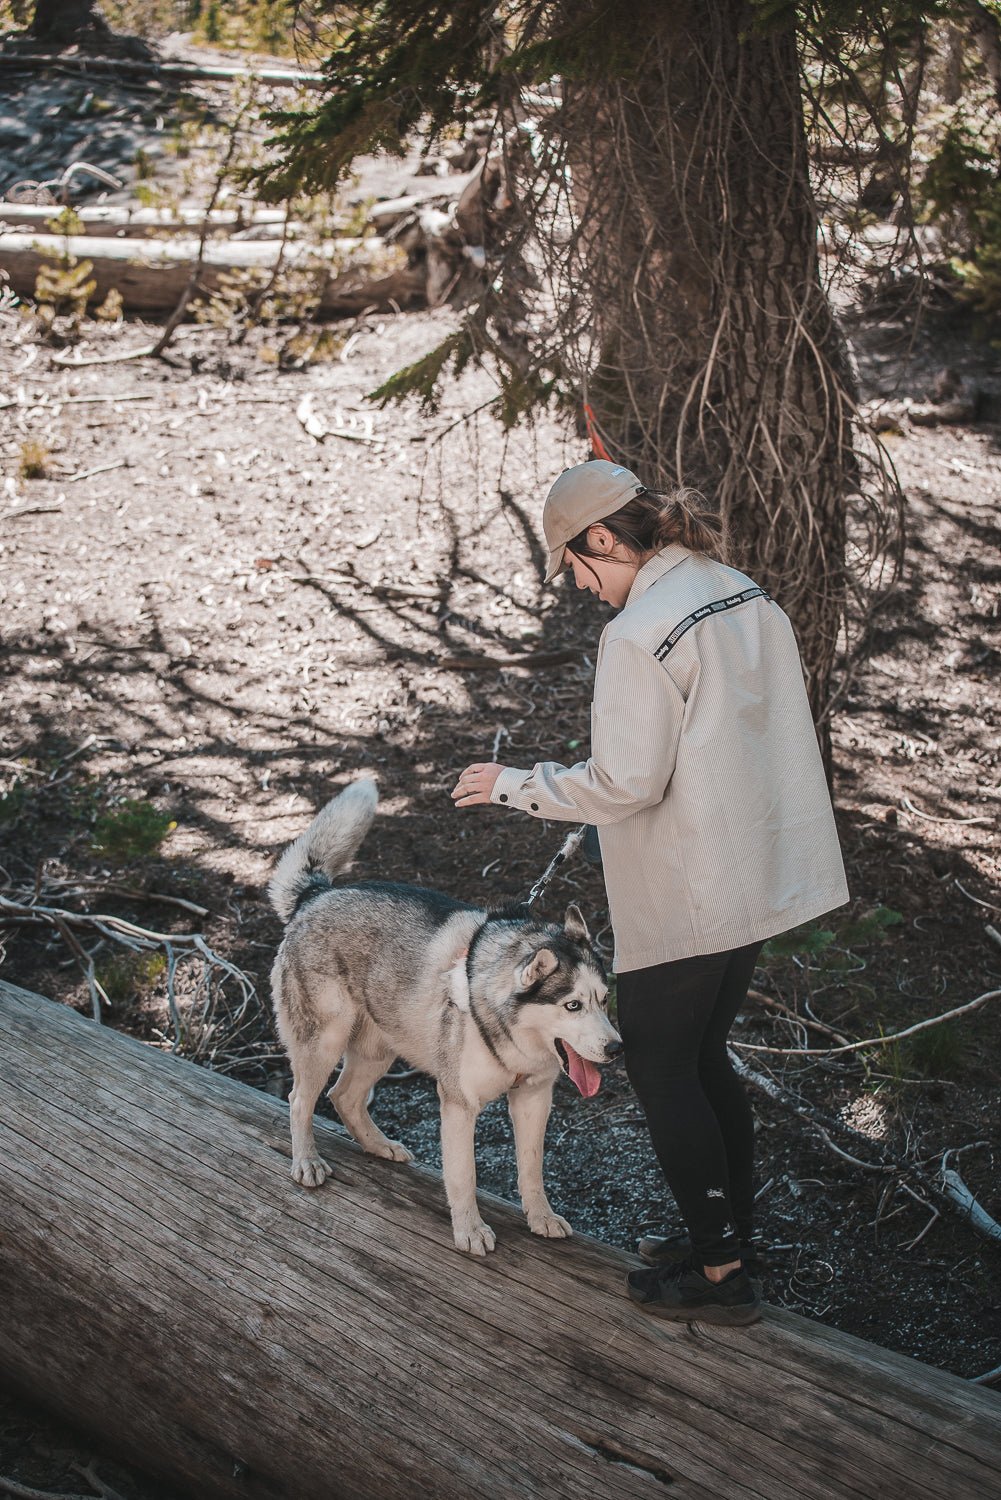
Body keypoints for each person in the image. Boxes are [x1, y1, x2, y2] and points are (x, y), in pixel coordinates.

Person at [450, 459, 849, 1326]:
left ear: (601, 538)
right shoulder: (737, 589)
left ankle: (719, 1275)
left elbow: (624, 783)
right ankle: (727, 1235)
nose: (584, 589)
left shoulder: (640, 633)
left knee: (665, 1066)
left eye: (577, 568)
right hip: (757, 868)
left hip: (691, 886)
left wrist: (517, 784)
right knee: (703, 1060)